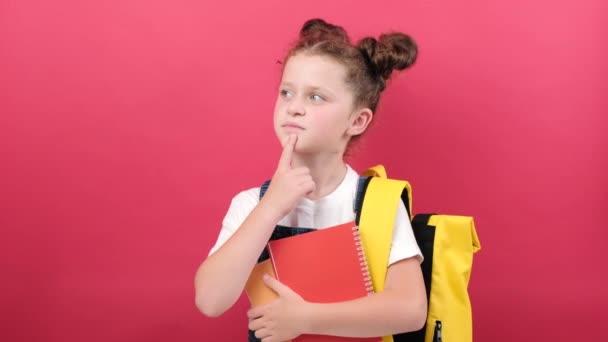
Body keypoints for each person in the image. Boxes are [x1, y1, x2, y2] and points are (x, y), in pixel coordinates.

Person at [194, 18, 427, 342]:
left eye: (315, 97)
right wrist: (271, 208)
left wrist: (305, 318)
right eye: (287, 92)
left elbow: (410, 310)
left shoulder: (380, 204)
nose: (294, 108)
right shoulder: (252, 204)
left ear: (356, 120)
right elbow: (210, 300)